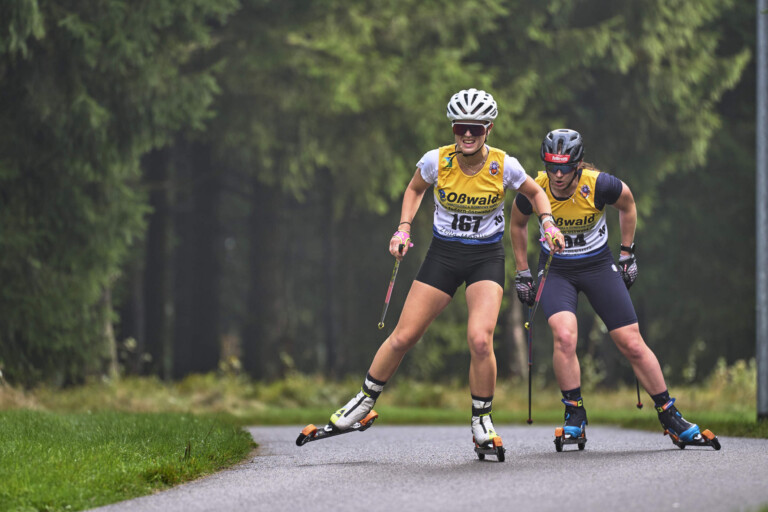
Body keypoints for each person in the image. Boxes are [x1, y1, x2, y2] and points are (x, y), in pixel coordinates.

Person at [327, 89, 564, 454]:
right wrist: (403, 229)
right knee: (403, 336)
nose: (466, 135)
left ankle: (482, 420)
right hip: (443, 255)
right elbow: (414, 189)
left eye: (475, 128)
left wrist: (547, 222)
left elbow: (536, 193)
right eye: (459, 127)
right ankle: (363, 402)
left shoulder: (504, 165)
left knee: (480, 340)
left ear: (488, 129)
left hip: (485, 257)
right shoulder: (436, 161)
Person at [509, 128, 717, 449]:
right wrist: (522, 271)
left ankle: (670, 416)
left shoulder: (599, 185)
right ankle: (574, 415)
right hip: (557, 269)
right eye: (551, 167)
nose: (558, 175)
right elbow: (518, 224)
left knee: (631, 341)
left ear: (579, 164)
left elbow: (628, 205)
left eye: (565, 167)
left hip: (597, 266)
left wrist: (627, 253)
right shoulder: (534, 189)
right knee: (564, 336)